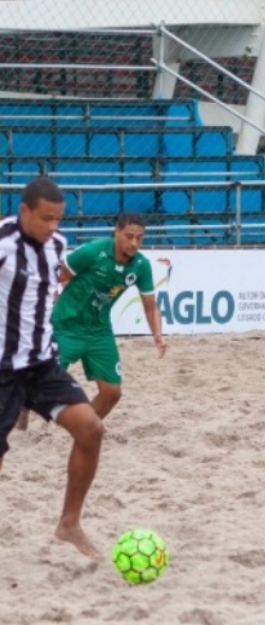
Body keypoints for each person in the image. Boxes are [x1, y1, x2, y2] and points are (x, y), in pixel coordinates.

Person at [0, 176, 104, 559]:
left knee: (91, 428)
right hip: (3, 370)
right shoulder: (4, 244)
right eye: (45, 218)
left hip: (42, 364)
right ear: (24, 210)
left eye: (58, 219)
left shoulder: (57, 246)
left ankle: (69, 523)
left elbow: (45, 292)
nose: (52, 227)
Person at [51, 212, 165, 419]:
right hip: (65, 326)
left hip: (99, 330)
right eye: (129, 236)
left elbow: (150, 306)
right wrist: (55, 293)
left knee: (112, 392)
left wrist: (157, 335)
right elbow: (56, 275)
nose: (134, 243)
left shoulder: (141, 265)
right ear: (117, 232)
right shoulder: (94, 251)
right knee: (42, 384)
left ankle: (85, 431)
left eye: (139, 238)